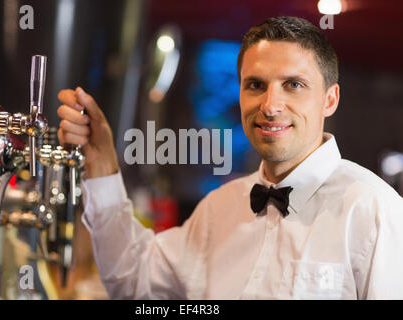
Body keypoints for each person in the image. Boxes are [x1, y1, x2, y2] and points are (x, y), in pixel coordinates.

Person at [56, 16, 403, 299]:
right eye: (255, 85)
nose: (270, 105)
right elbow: (132, 279)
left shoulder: (375, 211)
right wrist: (102, 166)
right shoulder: (217, 208)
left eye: (293, 85)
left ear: (329, 99)